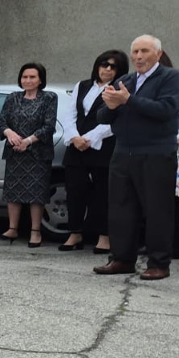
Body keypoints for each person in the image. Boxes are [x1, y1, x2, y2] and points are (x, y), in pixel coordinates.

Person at [95, 35, 179, 280]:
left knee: (158, 210)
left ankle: (159, 263)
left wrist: (128, 100)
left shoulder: (171, 78)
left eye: (144, 51)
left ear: (158, 54)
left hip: (155, 153)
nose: (138, 56)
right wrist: (111, 106)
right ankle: (122, 259)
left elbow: (166, 110)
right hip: (123, 152)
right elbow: (101, 116)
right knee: (121, 209)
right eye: (135, 51)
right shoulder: (125, 80)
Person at [60, 50, 126, 254]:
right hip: (76, 147)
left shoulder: (120, 89)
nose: (108, 69)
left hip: (103, 146)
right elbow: (70, 114)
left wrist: (89, 139)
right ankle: (75, 233)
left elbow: (115, 120)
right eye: (104, 64)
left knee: (102, 194)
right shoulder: (82, 85)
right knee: (75, 191)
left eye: (113, 66)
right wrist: (74, 137)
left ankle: (104, 236)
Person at [0, 63, 59, 248]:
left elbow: (49, 126)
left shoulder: (49, 98)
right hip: (15, 152)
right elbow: (2, 121)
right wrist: (9, 133)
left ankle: (35, 231)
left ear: (40, 79)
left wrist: (28, 141)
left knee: (36, 193)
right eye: (25, 77)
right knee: (13, 192)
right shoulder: (13, 97)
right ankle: (12, 228)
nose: (28, 80)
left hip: (37, 153)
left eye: (32, 77)